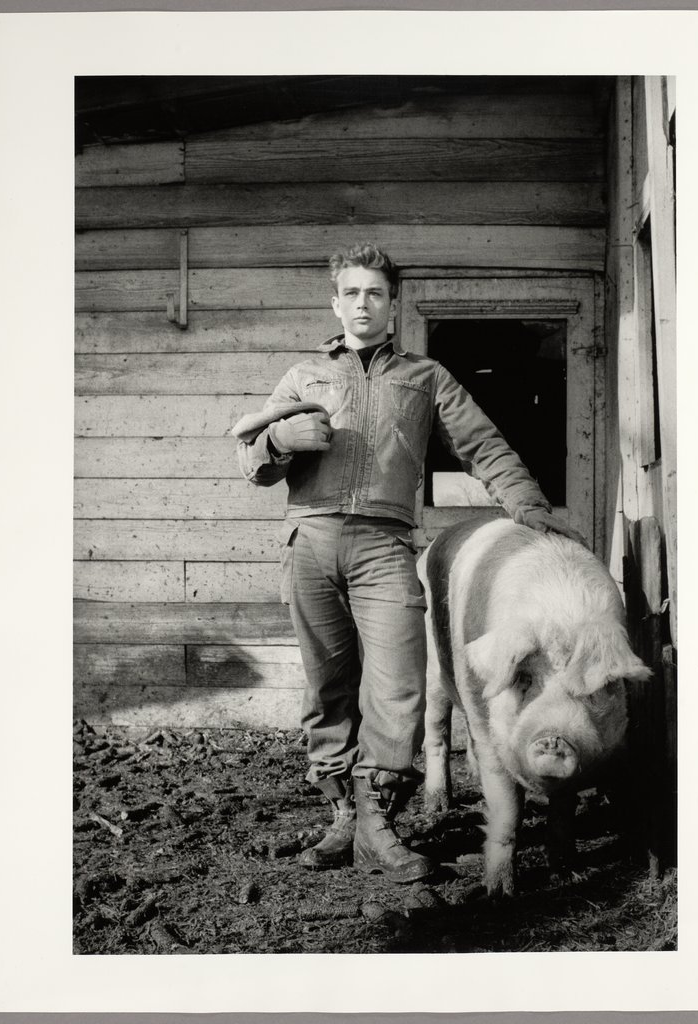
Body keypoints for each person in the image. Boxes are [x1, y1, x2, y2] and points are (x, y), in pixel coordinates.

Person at [233, 242, 584, 884]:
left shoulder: (426, 378)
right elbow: (251, 459)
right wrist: (281, 440)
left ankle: (378, 823)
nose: (362, 304)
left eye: (375, 293)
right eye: (351, 293)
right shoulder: (303, 376)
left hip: (385, 546)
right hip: (309, 543)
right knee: (327, 684)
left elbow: (481, 444)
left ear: (393, 305)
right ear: (334, 302)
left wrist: (528, 508)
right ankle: (343, 815)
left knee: (398, 684)